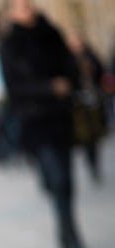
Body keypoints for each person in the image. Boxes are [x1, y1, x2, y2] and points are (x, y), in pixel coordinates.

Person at [0, 0, 89, 248]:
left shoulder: (53, 34)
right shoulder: (9, 44)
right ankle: (71, 238)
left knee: (66, 181)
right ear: (12, 13)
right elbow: (14, 87)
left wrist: (68, 82)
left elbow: (70, 68)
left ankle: (67, 232)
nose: (26, 8)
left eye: (28, 4)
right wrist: (49, 88)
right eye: (20, 6)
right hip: (34, 122)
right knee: (57, 180)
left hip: (60, 118)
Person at [67, 32, 108, 184]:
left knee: (95, 135)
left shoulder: (90, 55)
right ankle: (91, 163)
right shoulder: (67, 58)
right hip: (78, 104)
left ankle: (95, 163)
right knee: (85, 137)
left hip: (94, 100)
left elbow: (101, 71)